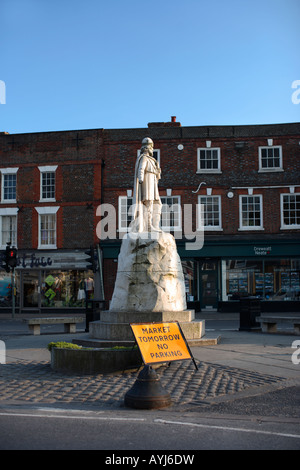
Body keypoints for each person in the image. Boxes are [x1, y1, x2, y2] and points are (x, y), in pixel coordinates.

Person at [132, 137, 162, 232]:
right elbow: (141, 169)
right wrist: (141, 180)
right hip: (147, 182)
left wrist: (158, 172)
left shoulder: (153, 160)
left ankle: (155, 226)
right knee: (148, 204)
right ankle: (149, 227)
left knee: (158, 204)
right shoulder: (144, 158)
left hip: (153, 183)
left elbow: (157, 176)